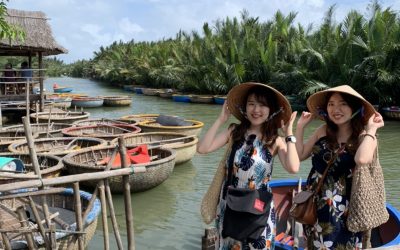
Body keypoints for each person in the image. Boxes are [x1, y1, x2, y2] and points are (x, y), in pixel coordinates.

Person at [197, 82, 299, 249]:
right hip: (230, 206)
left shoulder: (275, 140)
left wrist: (289, 133)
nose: (256, 110)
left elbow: (293, 167)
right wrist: (220, 119)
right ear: (245, 107)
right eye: (251, 104)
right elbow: (202, 148)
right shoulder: (234, 131)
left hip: (259, 209)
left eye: (262, 105)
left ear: (271, 110)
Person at [295, 85, 384, 249]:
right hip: (316, 204)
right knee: (317, 245)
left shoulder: (366, 136)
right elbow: (300, 155)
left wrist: (371, 129)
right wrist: (300, 128)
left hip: (346, 208)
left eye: (343, 104)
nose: (336, 109)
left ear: (354, 108)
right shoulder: (323, 131)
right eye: (331, 104)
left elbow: (362, 159)